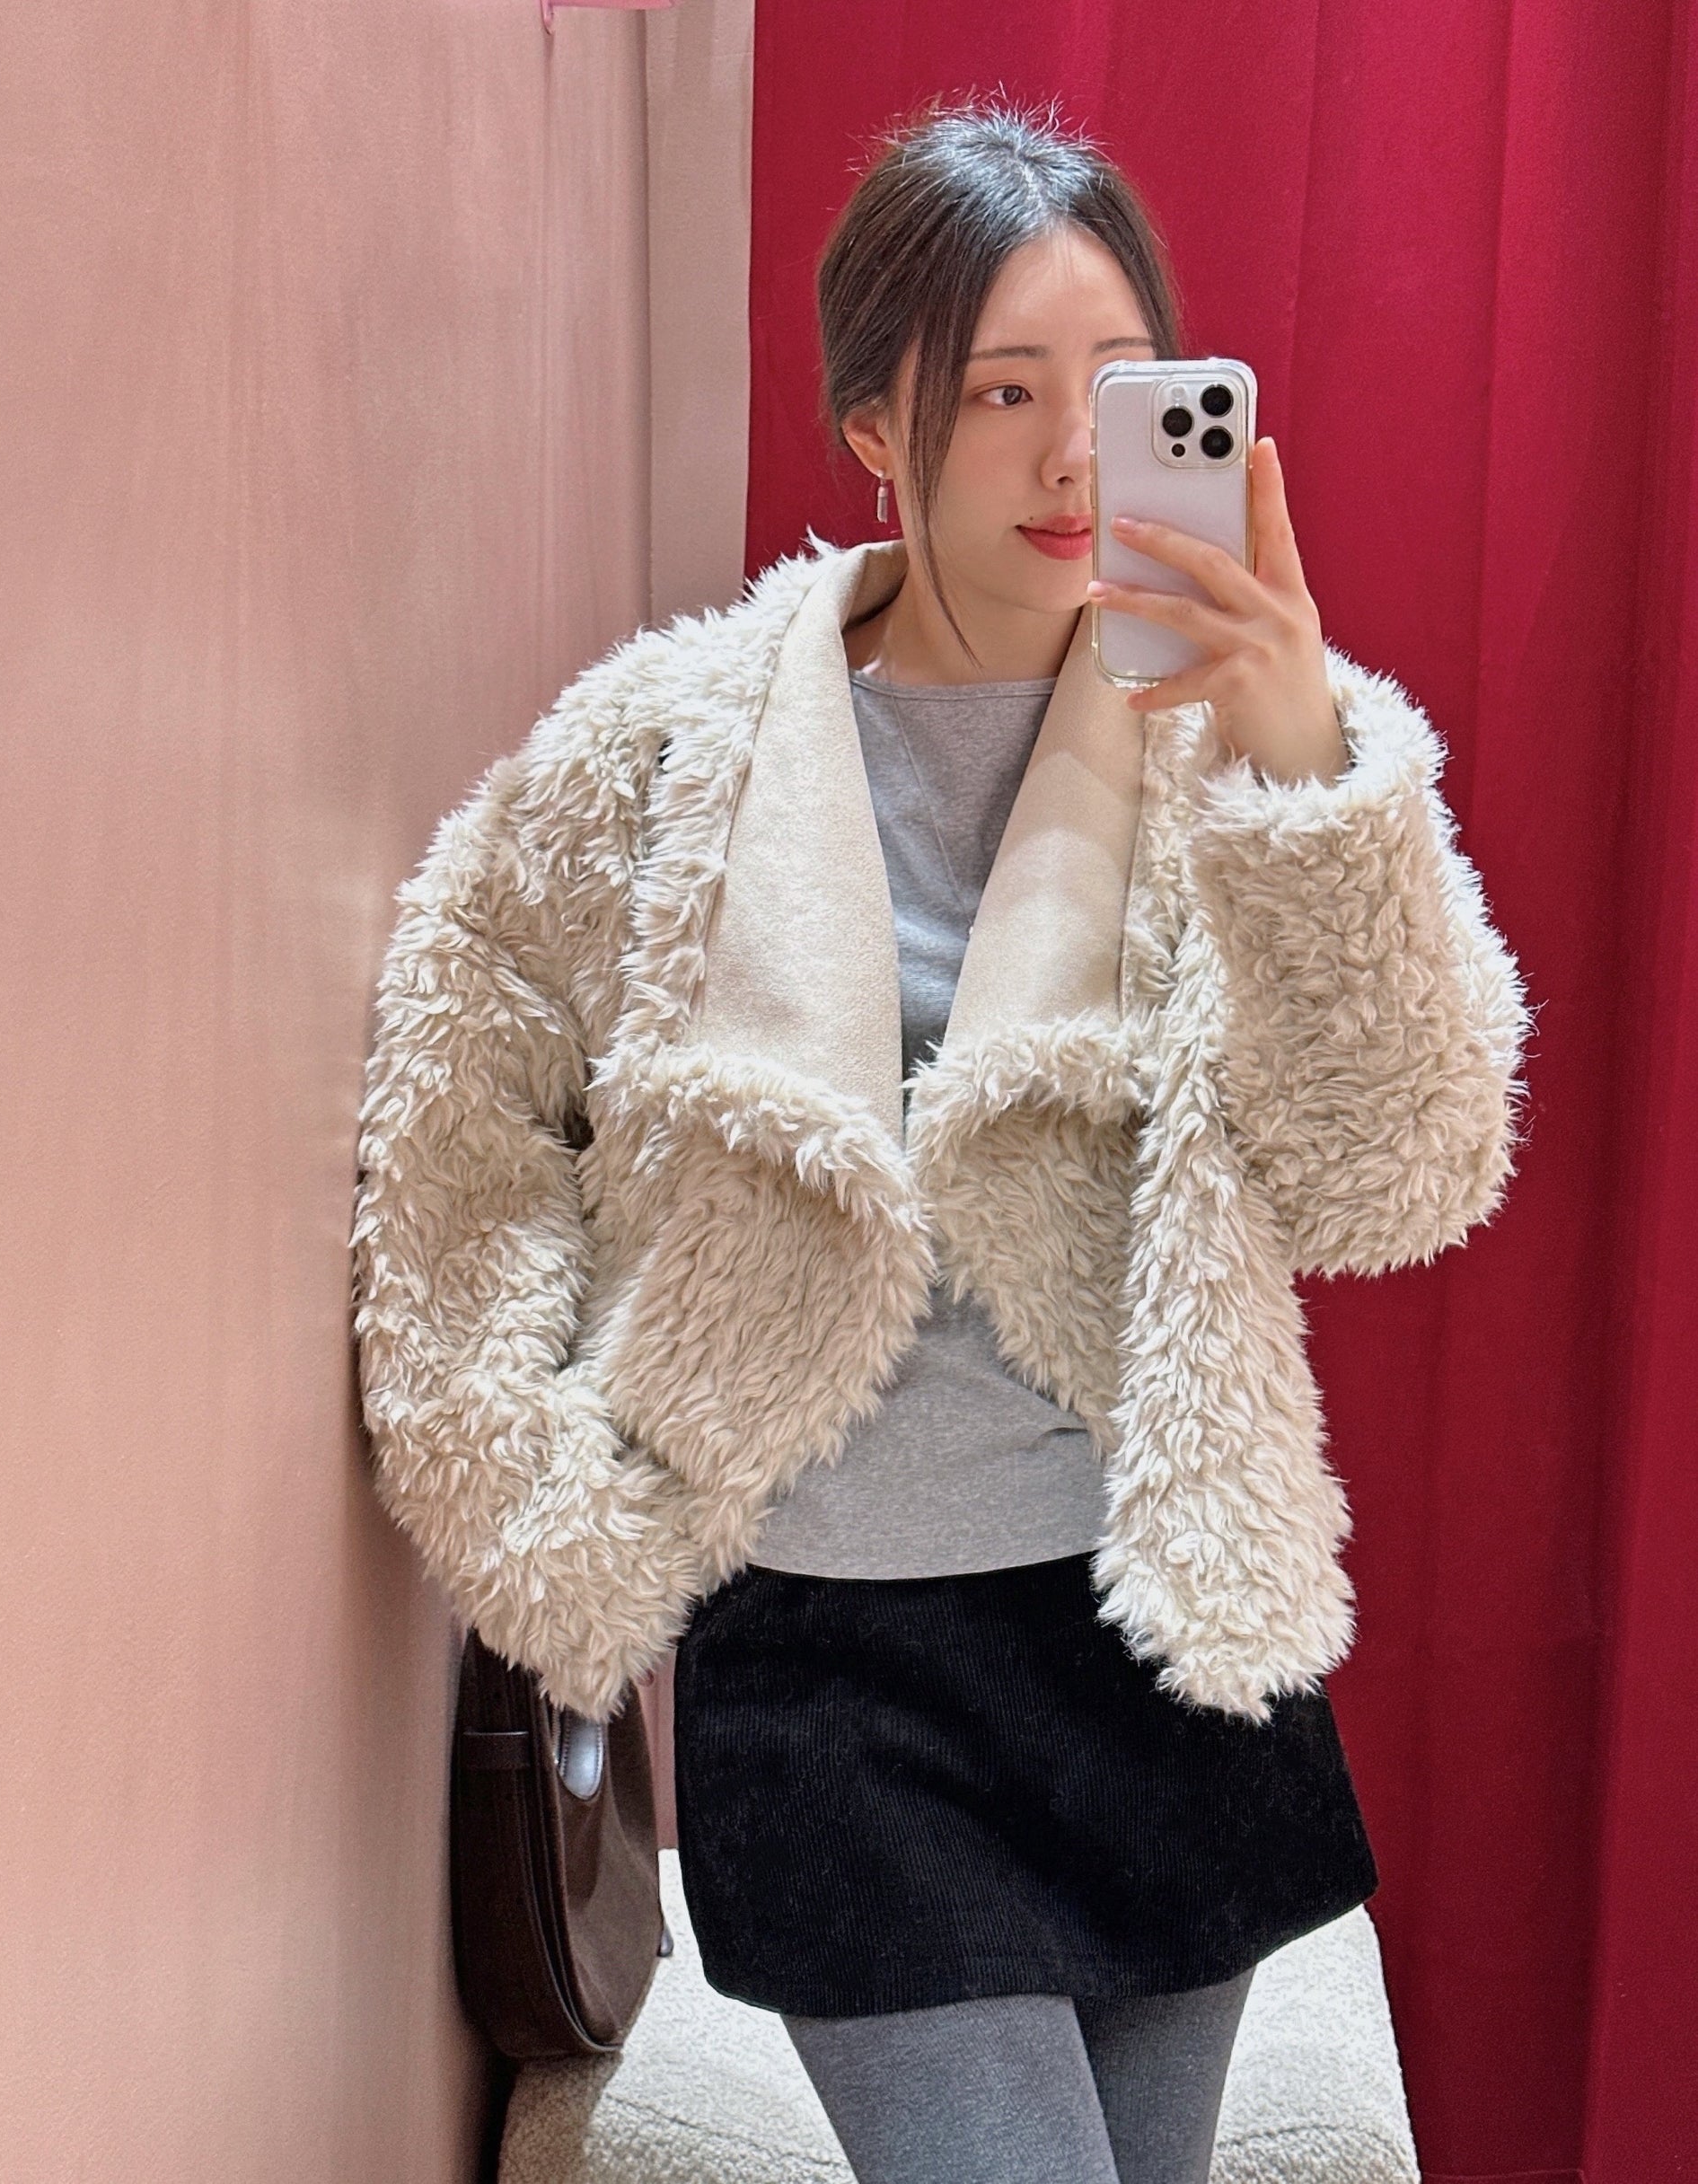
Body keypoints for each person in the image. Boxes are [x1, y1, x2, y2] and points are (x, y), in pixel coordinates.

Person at [350, 97, 1531, 2184]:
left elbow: (1399, 1171)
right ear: (871, 425)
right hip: (838, 1681)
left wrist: (1302, 774)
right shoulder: (676, 747)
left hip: (1153, 1640)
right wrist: (532, 1494)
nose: (1074, 457)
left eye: (1118, 385)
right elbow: (462, 1083)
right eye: (1002, 392)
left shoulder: (1239, 738)